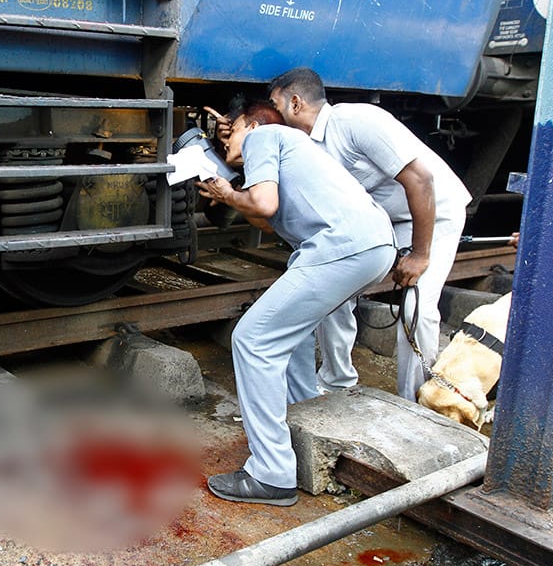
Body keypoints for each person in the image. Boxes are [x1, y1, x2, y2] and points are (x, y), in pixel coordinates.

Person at [195, 99, 395, 505]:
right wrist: (231, 192)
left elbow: (262, 204)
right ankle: (304, 420)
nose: (224, 145)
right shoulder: (292, 149)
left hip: (343, 247)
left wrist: (230, 193)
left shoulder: (263, 135)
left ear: (247, 124)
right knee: (293, 335)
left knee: (252, 341)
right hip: (370, 246)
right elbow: (268, 216)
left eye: (228, 133)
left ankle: (271, 474)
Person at [267, 68, 472, 402]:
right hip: (382, 222)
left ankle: (415, 400)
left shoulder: (356, 121)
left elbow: (420, 180)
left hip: (435, 212)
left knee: (415, 309)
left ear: (294, 103)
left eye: (275, 106)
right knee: (329, 288)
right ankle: (337, 381)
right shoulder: (308, 148)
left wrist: (419, 255)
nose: (272, 116)